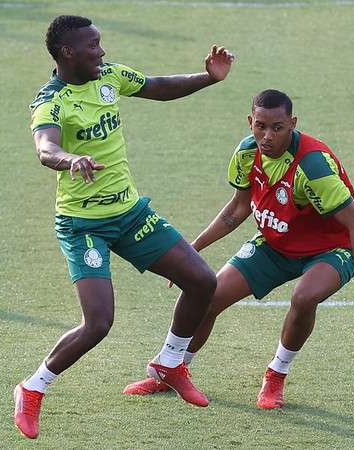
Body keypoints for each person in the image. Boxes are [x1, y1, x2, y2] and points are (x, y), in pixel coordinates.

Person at [14, 15, 234, 439]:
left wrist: (208, 78)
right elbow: (46, 147)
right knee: (98, 323)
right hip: (84, 226)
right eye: (93, 45)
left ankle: (169, 363)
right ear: (67, 53)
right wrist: (69, 160)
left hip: (130, 214)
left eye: (100, 43)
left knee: (203, 282)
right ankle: (31, 387)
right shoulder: (50, 102)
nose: (102, 51)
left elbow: (157, 87)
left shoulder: (108, 75)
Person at [124, 89, 354, 409]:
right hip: (275, 243)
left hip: (330, 249)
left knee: (304, 297)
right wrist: (192, 251)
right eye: (260, 126)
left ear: (292, 123)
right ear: (250, 121)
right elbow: (237, 210)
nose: (267, 136)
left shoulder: (313, 165)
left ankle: (276, 374)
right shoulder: (247, 153)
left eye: (277, 127)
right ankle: (171, 369)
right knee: (208, 296)